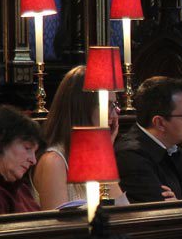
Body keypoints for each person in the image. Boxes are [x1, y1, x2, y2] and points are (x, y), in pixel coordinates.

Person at [32, 65, 128, 209]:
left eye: (115, 105)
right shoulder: (54, 161)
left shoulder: (95, 156)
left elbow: (123, 209)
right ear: (83, 107)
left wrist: (104, 151)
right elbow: (57, 227)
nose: (114, 115)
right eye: (107, 105)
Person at [115, 76, 182, 202]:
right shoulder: (130, 157)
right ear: (159, 123)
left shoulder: (175, 149)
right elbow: (159, 212)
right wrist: (181, 207)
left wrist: (180, 206)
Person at [0, 106, 43, 216]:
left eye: (35, 152)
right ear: (1, 141)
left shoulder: (20, 187)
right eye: (27, 148)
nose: (33, 160)